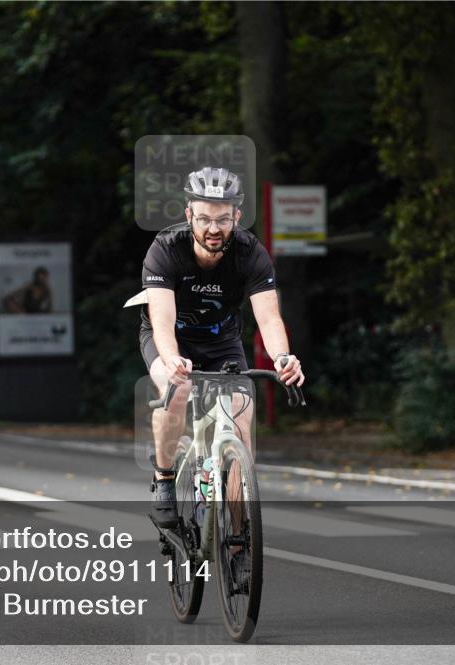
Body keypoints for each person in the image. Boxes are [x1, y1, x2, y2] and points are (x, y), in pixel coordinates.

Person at [138, 167, 304, 579]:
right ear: (189, 212)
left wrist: (283, 358)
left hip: (222, 344)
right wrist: (173, 360)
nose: (214, 228)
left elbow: (268, 318)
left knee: (241, 429)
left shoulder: (250, 252)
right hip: (169, 339)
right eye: (206, 218)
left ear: (236, 216)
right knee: (172, 390)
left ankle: (237, 539)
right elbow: (160, 319)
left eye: (224, 219)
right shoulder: (165, 249)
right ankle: (163, 478)